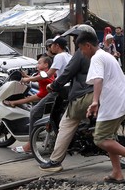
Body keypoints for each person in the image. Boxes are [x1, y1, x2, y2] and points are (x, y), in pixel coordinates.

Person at [79, 30, 125, 183]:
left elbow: (98, 79)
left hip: (113, 102)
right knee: (109, 138)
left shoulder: (97, 57)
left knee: (99, 139)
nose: (81, 52)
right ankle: (117, 173)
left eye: (81, 49)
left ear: (88, 45)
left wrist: (95, 101)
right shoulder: (106, 55)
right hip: (120, 100)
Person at [39, 25, 96, 173]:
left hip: (84, 94)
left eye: (77, 38)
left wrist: (55, 85)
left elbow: (68, 72)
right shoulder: (100, 52)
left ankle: (55, 161)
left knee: (66, 124)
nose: (76, 41)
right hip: (101, 94)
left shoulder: (81, 53)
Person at [6, 56, 55, 153]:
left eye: (39, 63)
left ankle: (29, 144)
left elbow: (39, 79)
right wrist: (27, 77)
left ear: (46, 65)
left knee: (33, 111)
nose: (37, 65)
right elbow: (37, 79)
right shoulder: (46, 73)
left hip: (47, 97)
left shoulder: (44, 74)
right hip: (46, 96)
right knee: (29, 100)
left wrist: (27, 80)